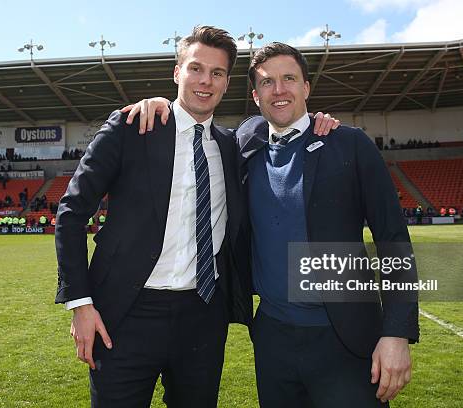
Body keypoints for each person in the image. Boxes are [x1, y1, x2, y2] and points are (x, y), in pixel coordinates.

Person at [124, 42, 418, 407]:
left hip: (345, 337)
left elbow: (393, 240)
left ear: (306, 88)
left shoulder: (350, 144)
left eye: (289, 79)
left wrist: (397, 333)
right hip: (272, 337)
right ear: (255, 95)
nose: (279, 90)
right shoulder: (244, 144)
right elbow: (193, 121)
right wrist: (160, 104)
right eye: (267, 83)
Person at [56, 26, 336, 408]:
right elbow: (71, 213)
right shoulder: (133, 127)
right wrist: (80, 304)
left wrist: (321, 121)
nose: (205, 81)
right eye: (195, 69)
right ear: (177, 72)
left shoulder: (233, 144)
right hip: (124, 313)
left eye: (217, 73)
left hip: (203, 317)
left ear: (227, 83)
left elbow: (283, 125)